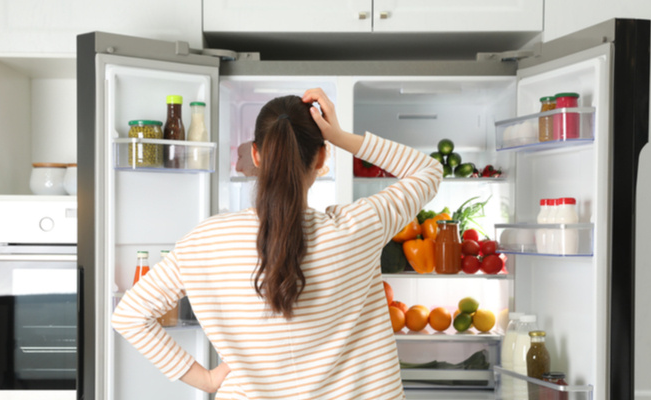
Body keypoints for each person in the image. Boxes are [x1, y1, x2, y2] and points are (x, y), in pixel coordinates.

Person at [112, 88, 443, 399]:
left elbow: (129, 316)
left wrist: (208, 380)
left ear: (256, 155)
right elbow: (427, 171)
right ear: (321, 159)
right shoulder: (358, 228)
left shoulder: (206, 241)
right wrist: (338, 135)